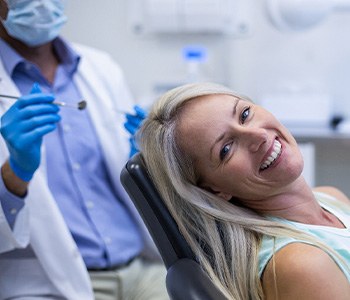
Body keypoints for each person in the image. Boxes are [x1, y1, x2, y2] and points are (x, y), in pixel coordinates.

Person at [0, 0, 167, 299]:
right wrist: (15, 173)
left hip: (141, 267)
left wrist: (150, 158)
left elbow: (131, 180)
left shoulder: (101, 67)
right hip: (47, 283)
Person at [137, 82, 350, 300]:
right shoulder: (303, 265)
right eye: (226, 149)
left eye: (245, 114)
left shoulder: (331, 198)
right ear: (214, 189)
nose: (258, 135)